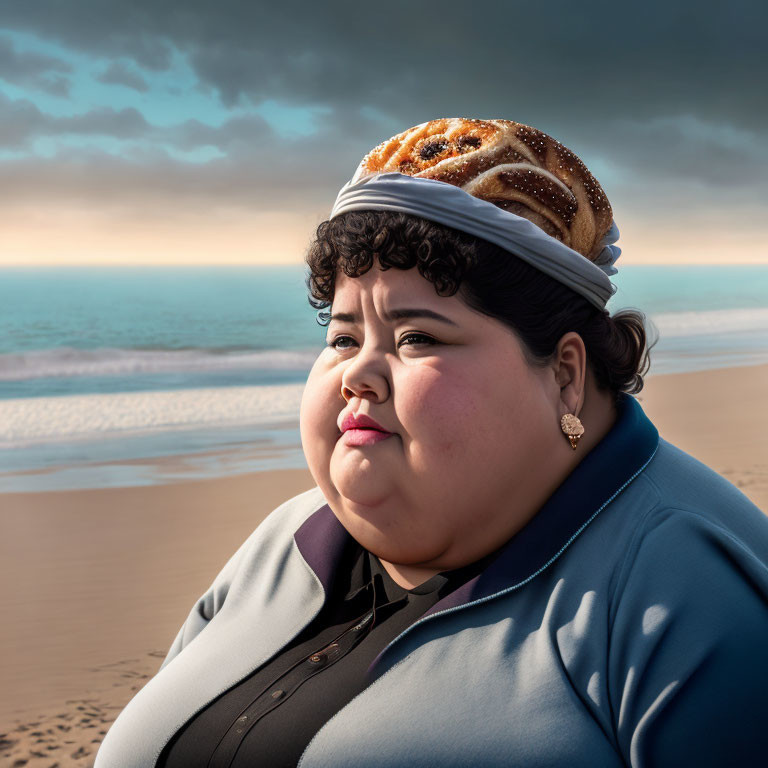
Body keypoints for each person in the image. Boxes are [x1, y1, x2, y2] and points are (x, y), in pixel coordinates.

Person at [95, 118, 768, 768]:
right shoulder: (285, 541)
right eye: (342, 338)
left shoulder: (687, 590)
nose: (357, 371)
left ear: (565, 374)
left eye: (417, 337)